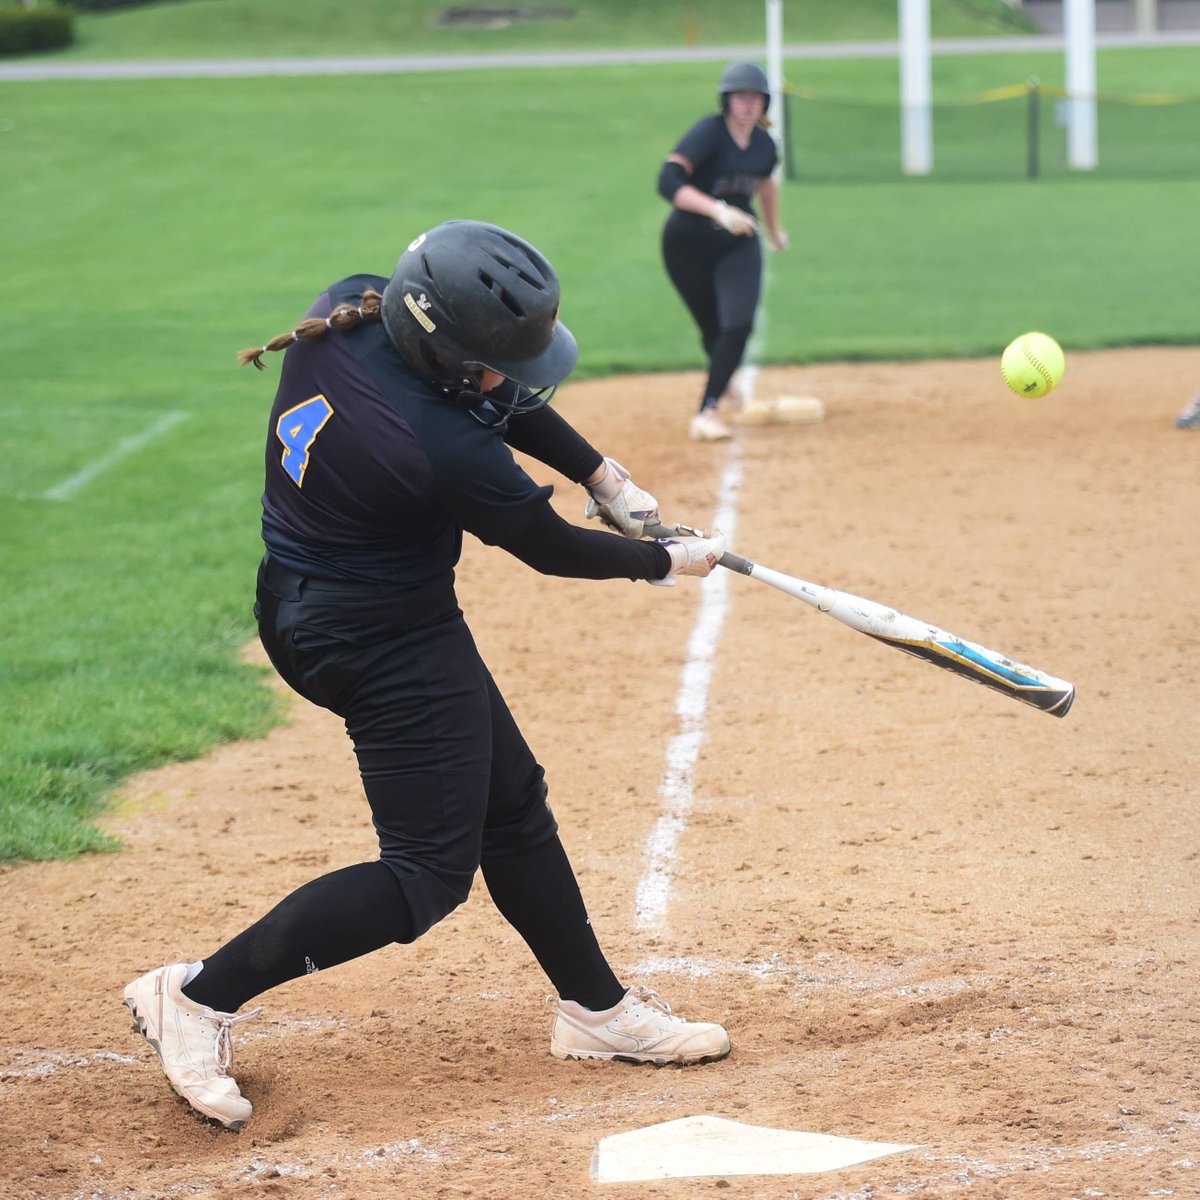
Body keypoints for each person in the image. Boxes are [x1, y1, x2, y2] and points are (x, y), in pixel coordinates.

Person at [122, 220, 730, 1131]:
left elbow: (495, 393)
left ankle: (597, 1013)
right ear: (441, 350)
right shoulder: (433, 445)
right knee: (425, 876)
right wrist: (663, 561)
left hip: (319, 600)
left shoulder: (357, 305)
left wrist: (602, 472)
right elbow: (551, 548)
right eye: (486, 363)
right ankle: (199, 996)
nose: (502, 378)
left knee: (510, 804)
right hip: (373, 636)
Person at [657, 61, 790, 442]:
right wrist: (717, 209)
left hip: (738, 240)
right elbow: (668, 181)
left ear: (765, 103)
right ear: (726, 101)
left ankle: (707, 410)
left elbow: (766, 185)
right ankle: (725, 380)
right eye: (740, 97)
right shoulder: (709, 133)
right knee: (712, 328)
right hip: (686, 242)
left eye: (756, 98)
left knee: (738, 323)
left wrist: (774, 228)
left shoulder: (765, 145)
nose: (748, 105)